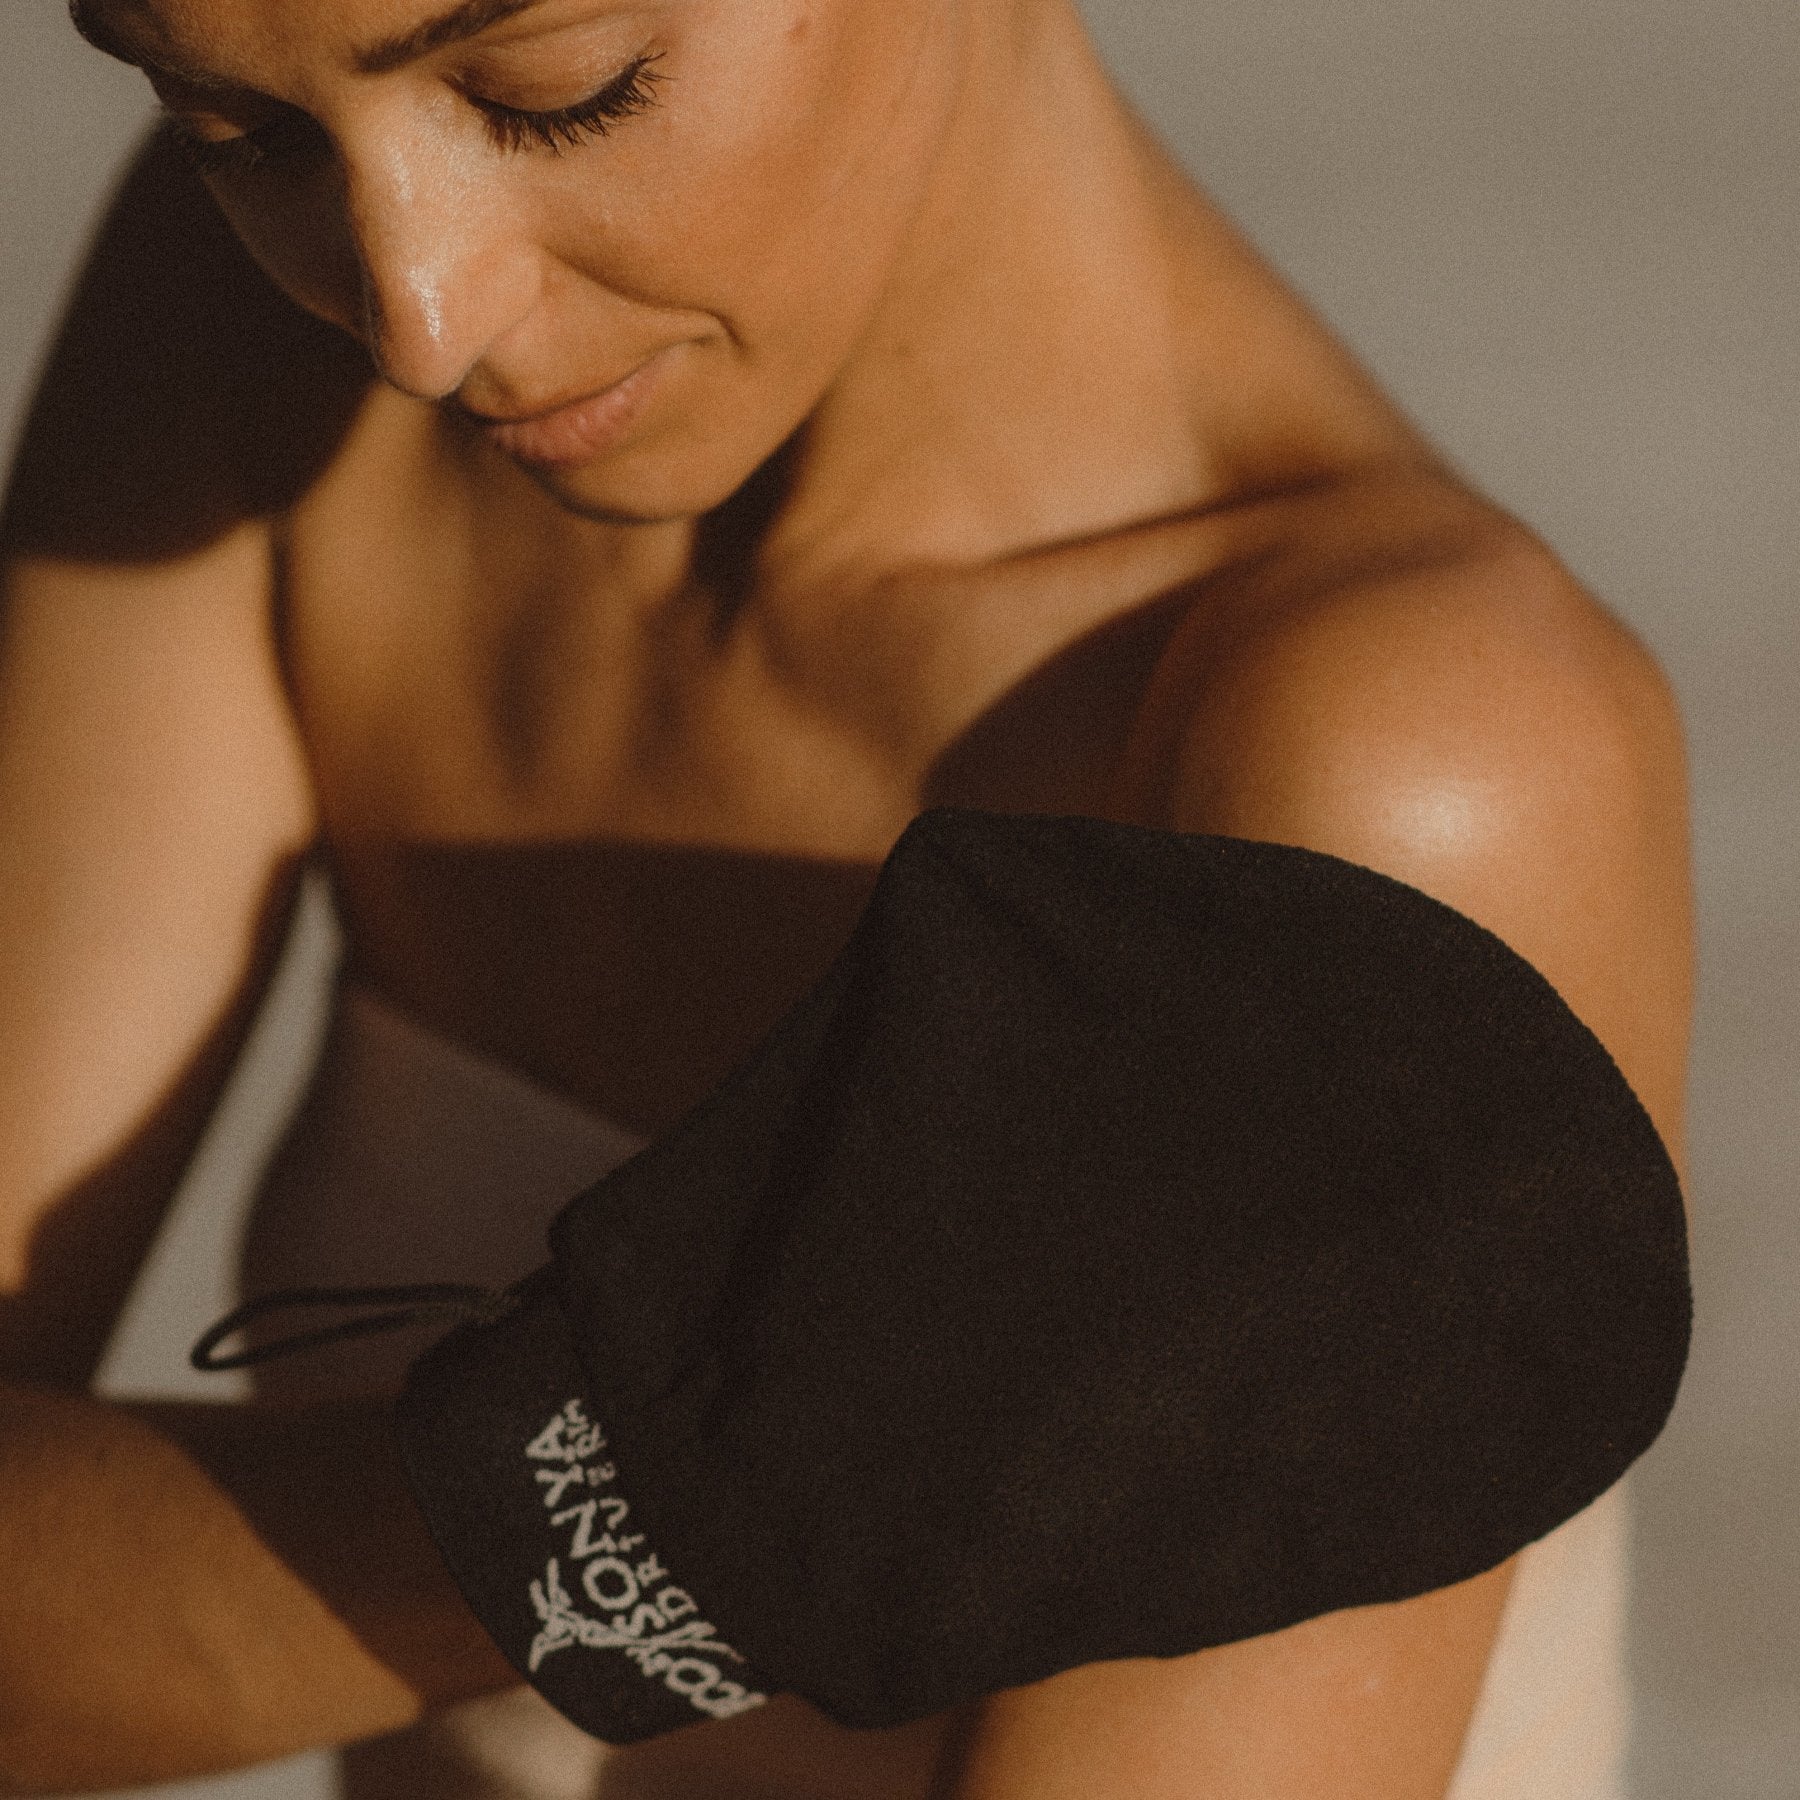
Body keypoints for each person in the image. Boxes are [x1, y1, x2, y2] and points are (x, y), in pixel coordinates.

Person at [0, 0, 1693, 1795]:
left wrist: (626, 1518)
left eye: (561, 92)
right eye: (233, 133)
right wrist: (648, 1509)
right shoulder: (263, 353)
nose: (418, 313)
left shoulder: (1401, 755)